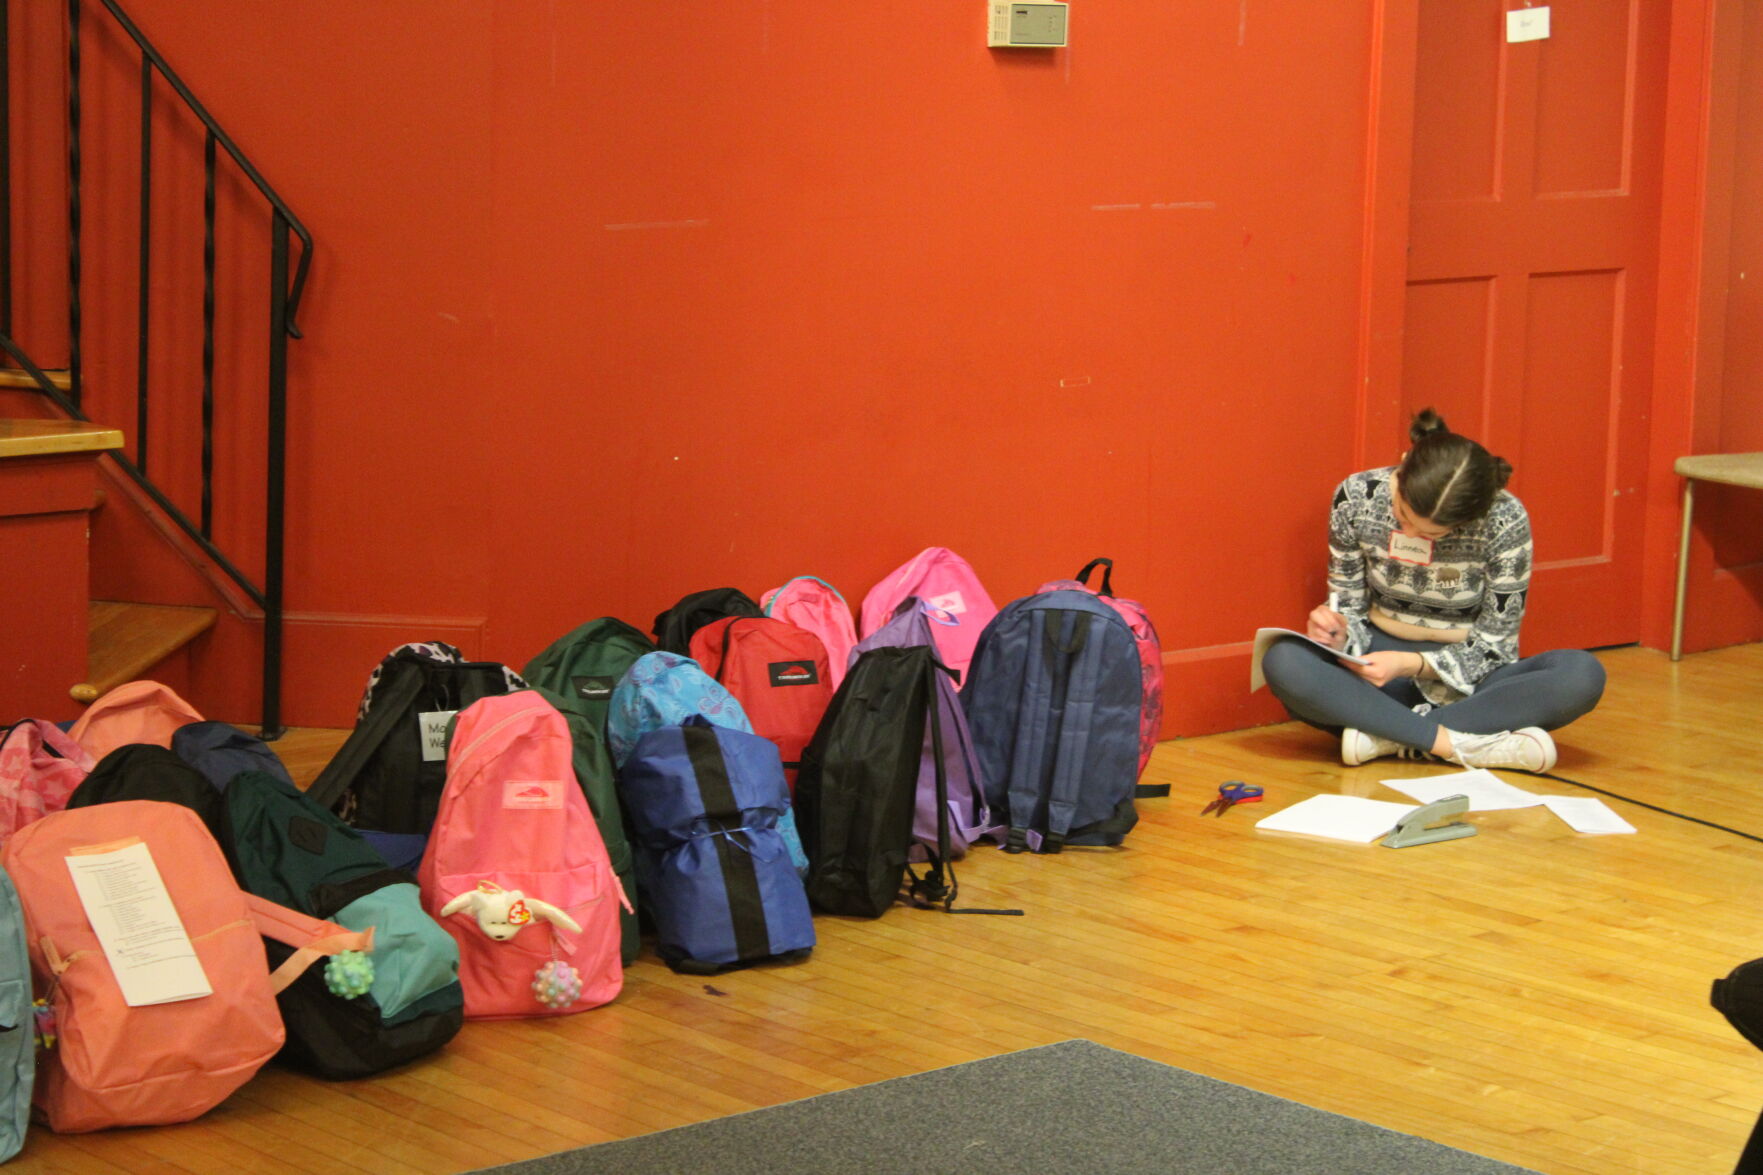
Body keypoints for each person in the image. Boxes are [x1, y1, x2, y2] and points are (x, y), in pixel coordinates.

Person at [1260, 409, 1605, 772]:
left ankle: (1387, 737)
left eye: (1431, 534)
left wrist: (1411, 664)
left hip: (1473, 683)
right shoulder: (1357, 495)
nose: (1410, 533)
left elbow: (1497, 644)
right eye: (1403, 514)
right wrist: (1338, 633)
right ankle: (1457, 744)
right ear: (1403, 465)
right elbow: (1347, 602)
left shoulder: (1505, 517)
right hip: (1376, 673)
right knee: (1285, 660)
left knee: (1581, 675)